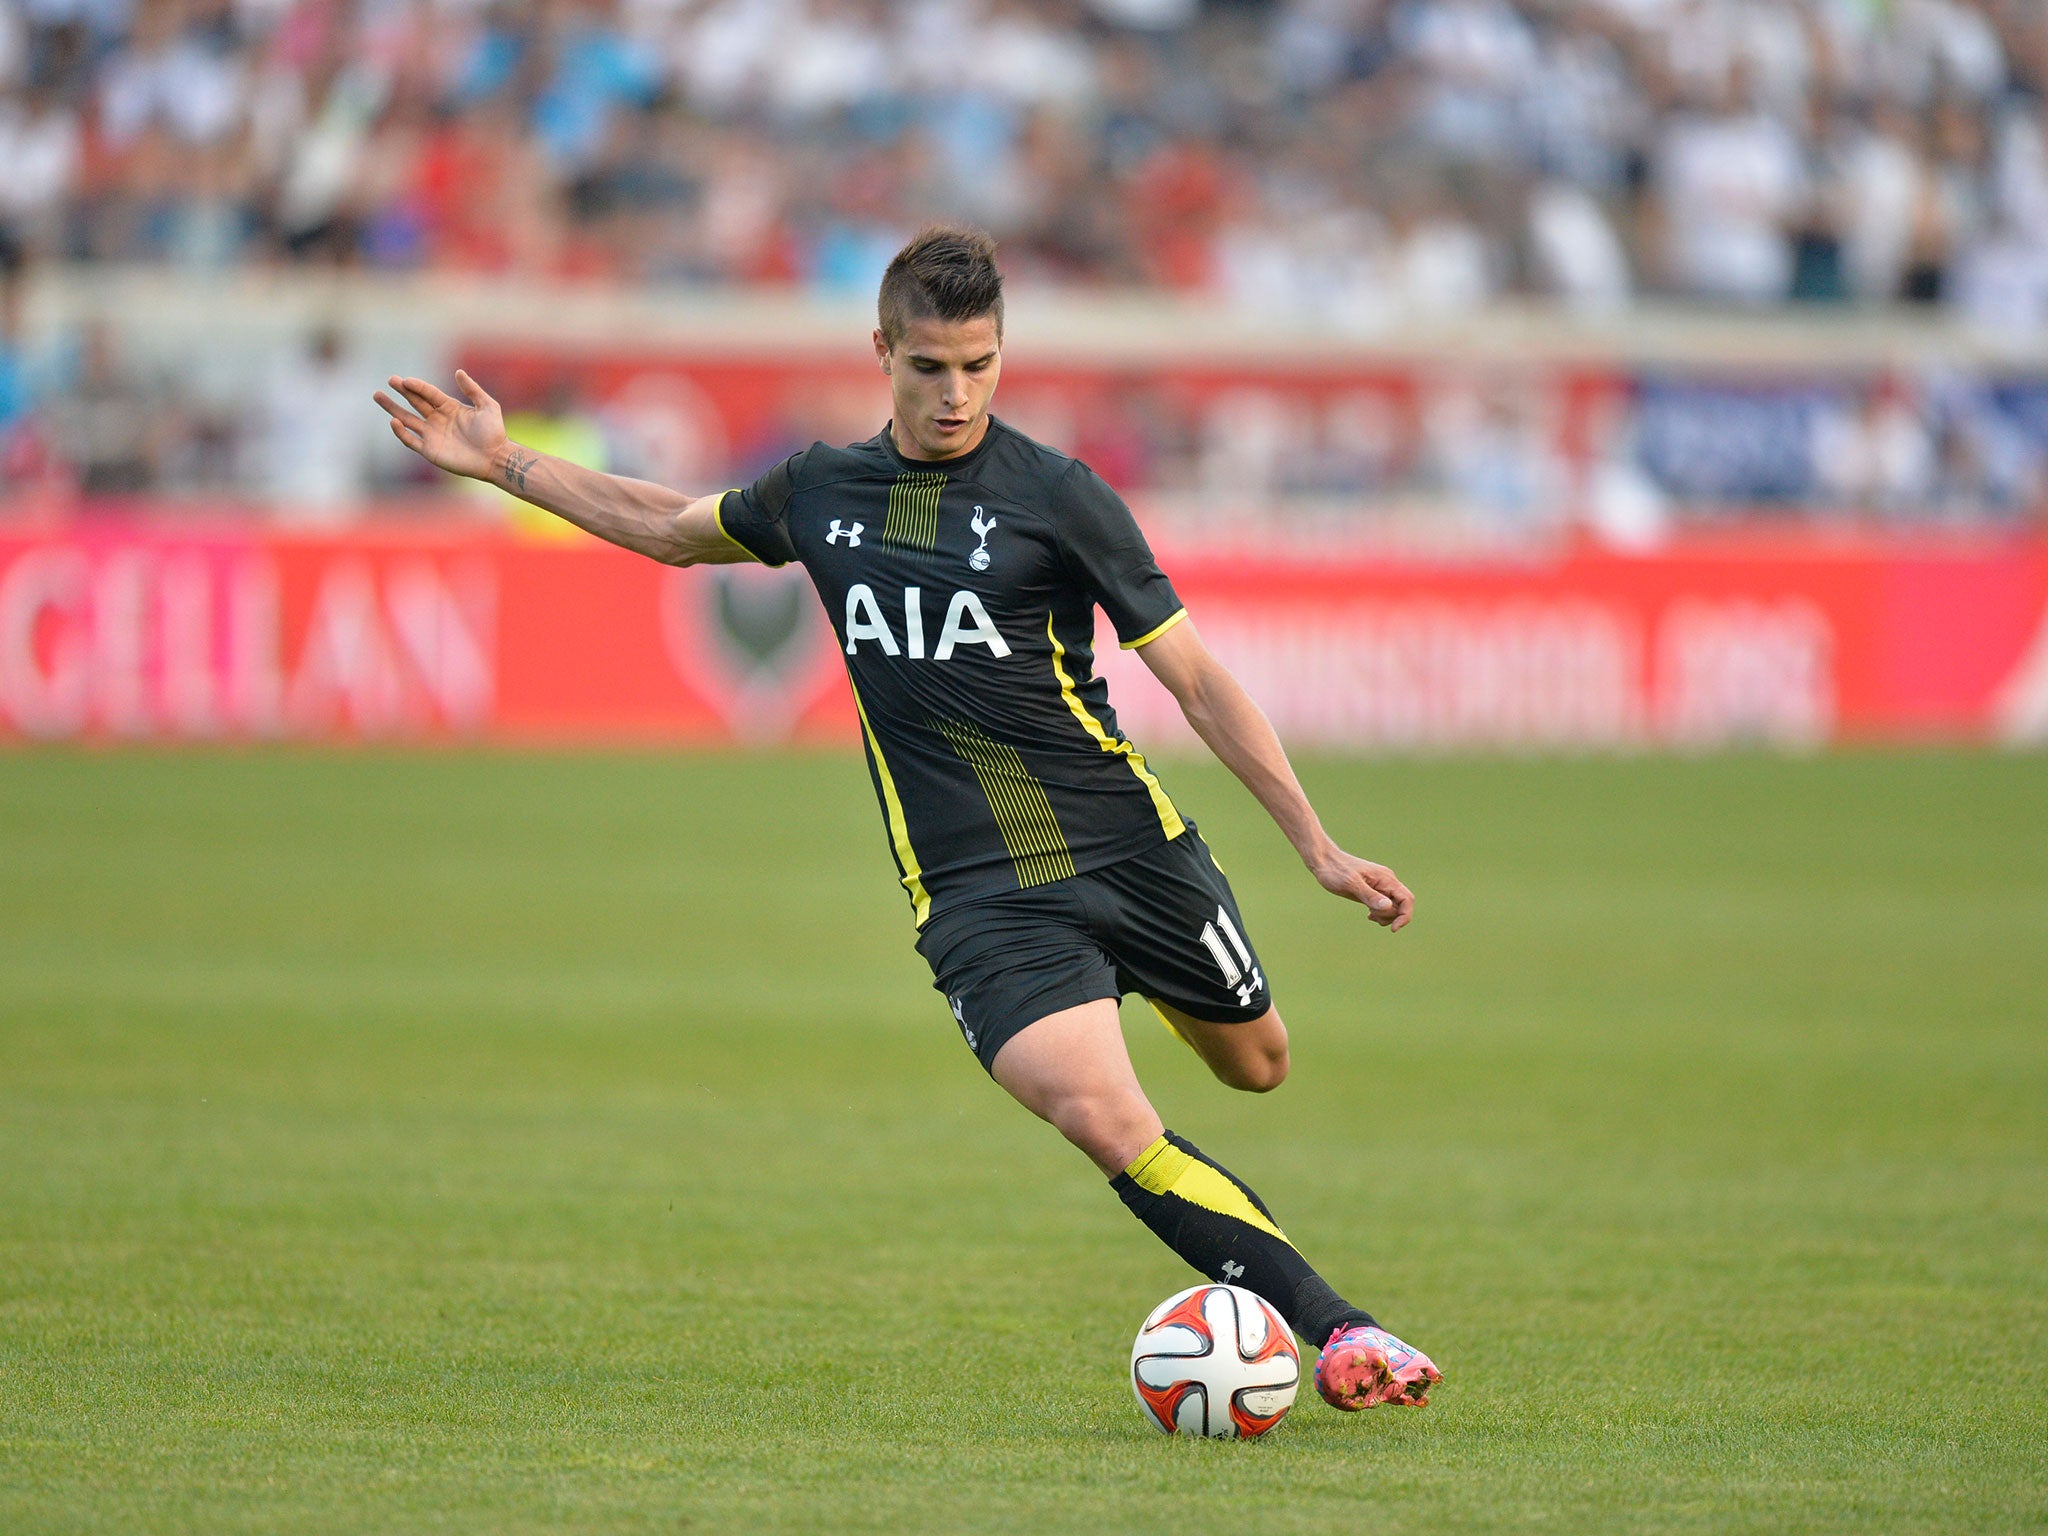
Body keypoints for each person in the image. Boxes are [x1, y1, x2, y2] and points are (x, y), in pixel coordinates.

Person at [374, 226, 1441, 1413]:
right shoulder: (821, 493)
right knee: (1104, 1116)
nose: (954, 394)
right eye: (929, 366)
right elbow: (669, 526)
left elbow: (1192, 677)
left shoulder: (1058, 497)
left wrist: (1315, 844)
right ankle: (1339, 1329)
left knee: (1257, 1066)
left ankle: (1155, 994)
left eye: (978, 365)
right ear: (880, 350)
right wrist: (502, 462)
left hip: (1133, 852)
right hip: (978, 899)